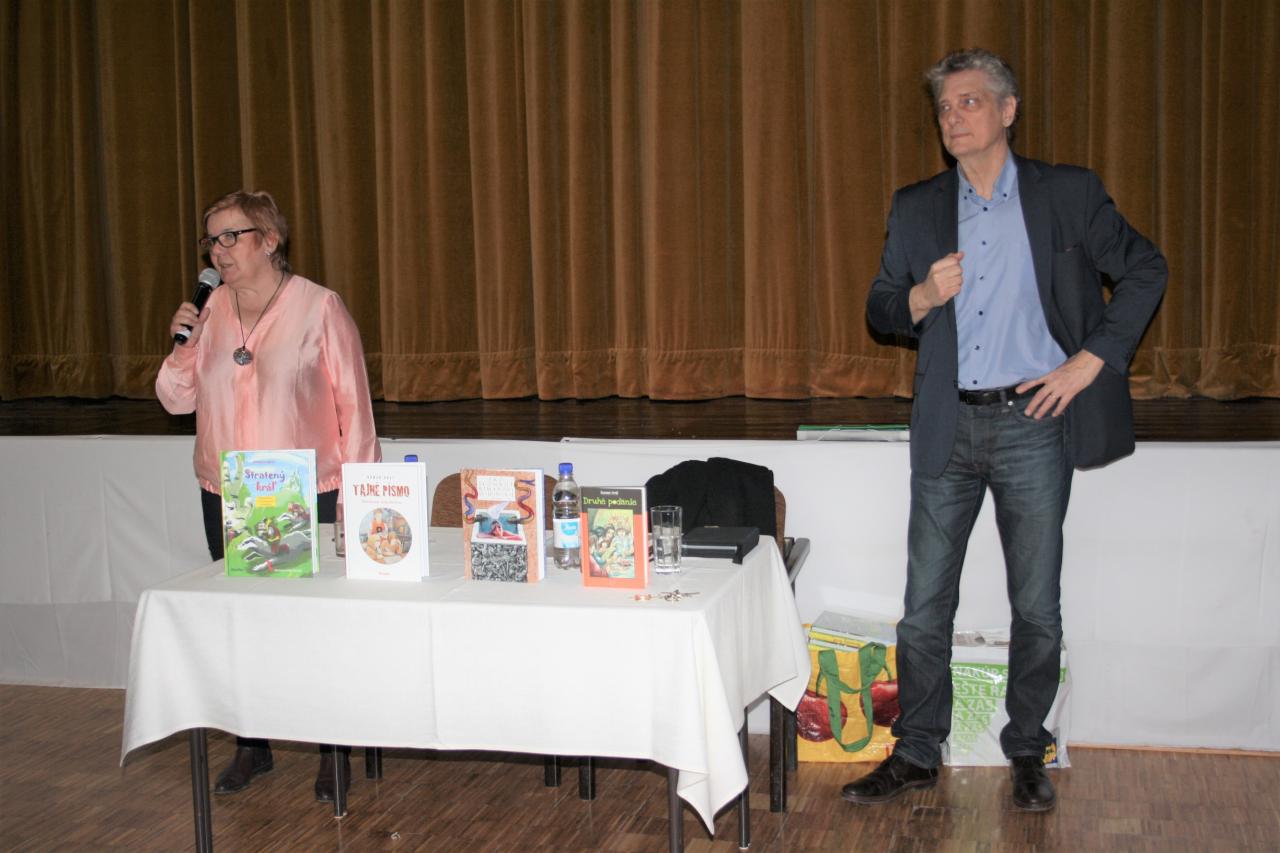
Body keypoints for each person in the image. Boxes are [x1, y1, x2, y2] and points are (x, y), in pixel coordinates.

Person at [848, 49, 1166, 812]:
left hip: (1034, 423)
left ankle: (1028, 747)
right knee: (924, 608)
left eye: (969, 102)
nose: (953, 117)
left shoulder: (1068, 193)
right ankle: (917, 750)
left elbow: (1146, 268)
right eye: (944, 107)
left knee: (1036, 607)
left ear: (1008, 111)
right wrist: (922, 295)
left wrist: (1090, 360)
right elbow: (881, 305)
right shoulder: (917, 206)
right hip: (948, 424)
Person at [156, 190, 381, 803]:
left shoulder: (318, 307)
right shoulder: (207, 312)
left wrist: (361, 498)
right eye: (212, 240)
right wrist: (182, 344)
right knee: (243, 625)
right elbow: (175, 400)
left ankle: (333, 747)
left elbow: (354, 408)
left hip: (303, 491)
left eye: (231, 236)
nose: (219, 251)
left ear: (270, 240)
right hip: (228, 491)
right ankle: (251, 743)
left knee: (312, 628)